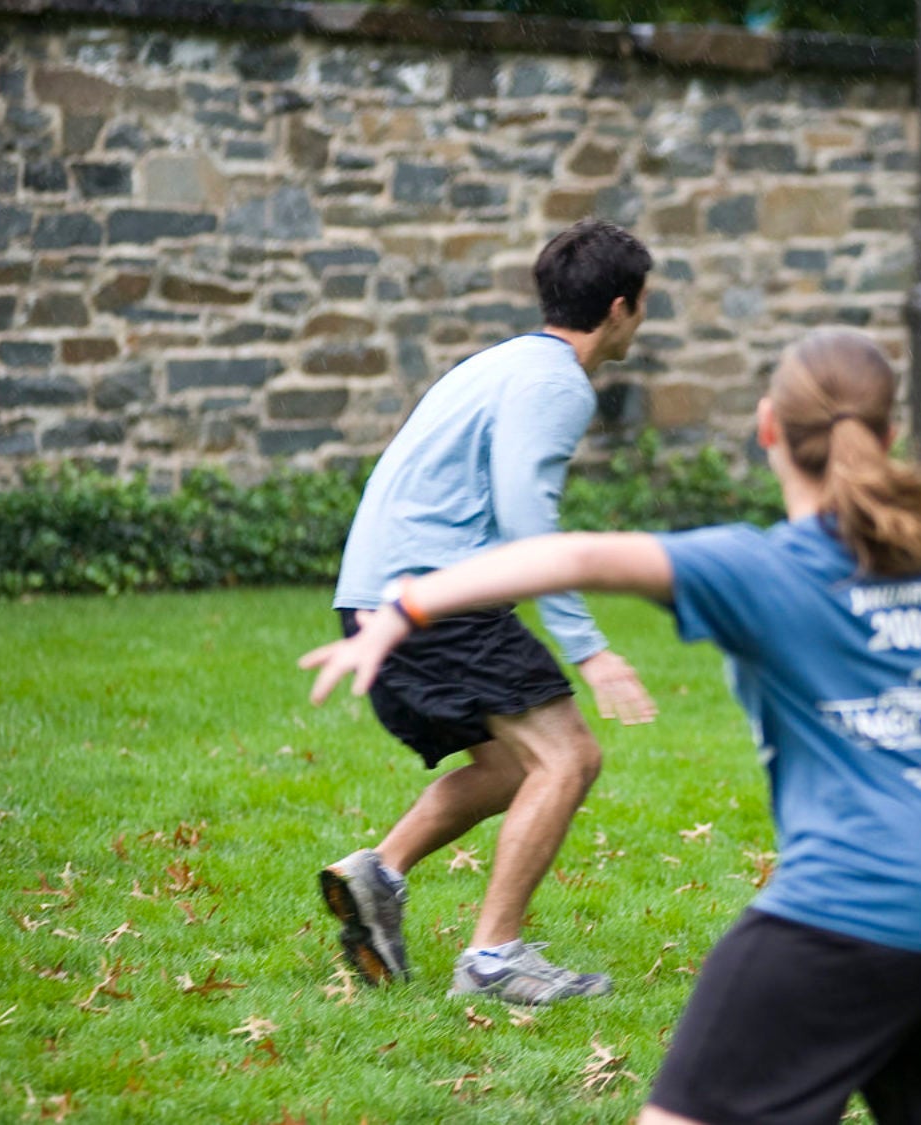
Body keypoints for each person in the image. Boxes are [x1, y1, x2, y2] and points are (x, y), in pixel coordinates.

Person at [303, 327, 921, 1123]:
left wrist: (405, 603)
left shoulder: (758, 566)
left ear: (769, 428)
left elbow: (570, 553)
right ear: (886, 438)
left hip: (848, 909)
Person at [317, 218, 659, 1005]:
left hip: (380, 599)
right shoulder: (554, 383)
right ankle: (495, 956)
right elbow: (527, 525)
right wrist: (590, 648)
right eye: (644, 304)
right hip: (433, 602)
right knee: (570, 757)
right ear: (618, 308)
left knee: (511, 765)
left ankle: (377, 875)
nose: (642, 317)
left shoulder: (504, 363)